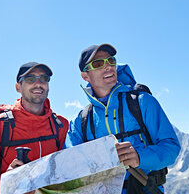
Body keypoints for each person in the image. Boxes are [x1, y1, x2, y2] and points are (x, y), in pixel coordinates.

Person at [67, 44, 181, 193]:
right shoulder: (81, 121)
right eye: (98, 64)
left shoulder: (143, 102)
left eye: (111, 61)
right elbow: (69, 164)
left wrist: (140, 157)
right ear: (85, 76)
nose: (108, 66)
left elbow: (171, 147)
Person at [0, 62, 69, 194]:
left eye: (44, 78)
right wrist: (8, 181)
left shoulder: (61, 125)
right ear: (18, 87)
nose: (38, 83)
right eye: (30, 79)